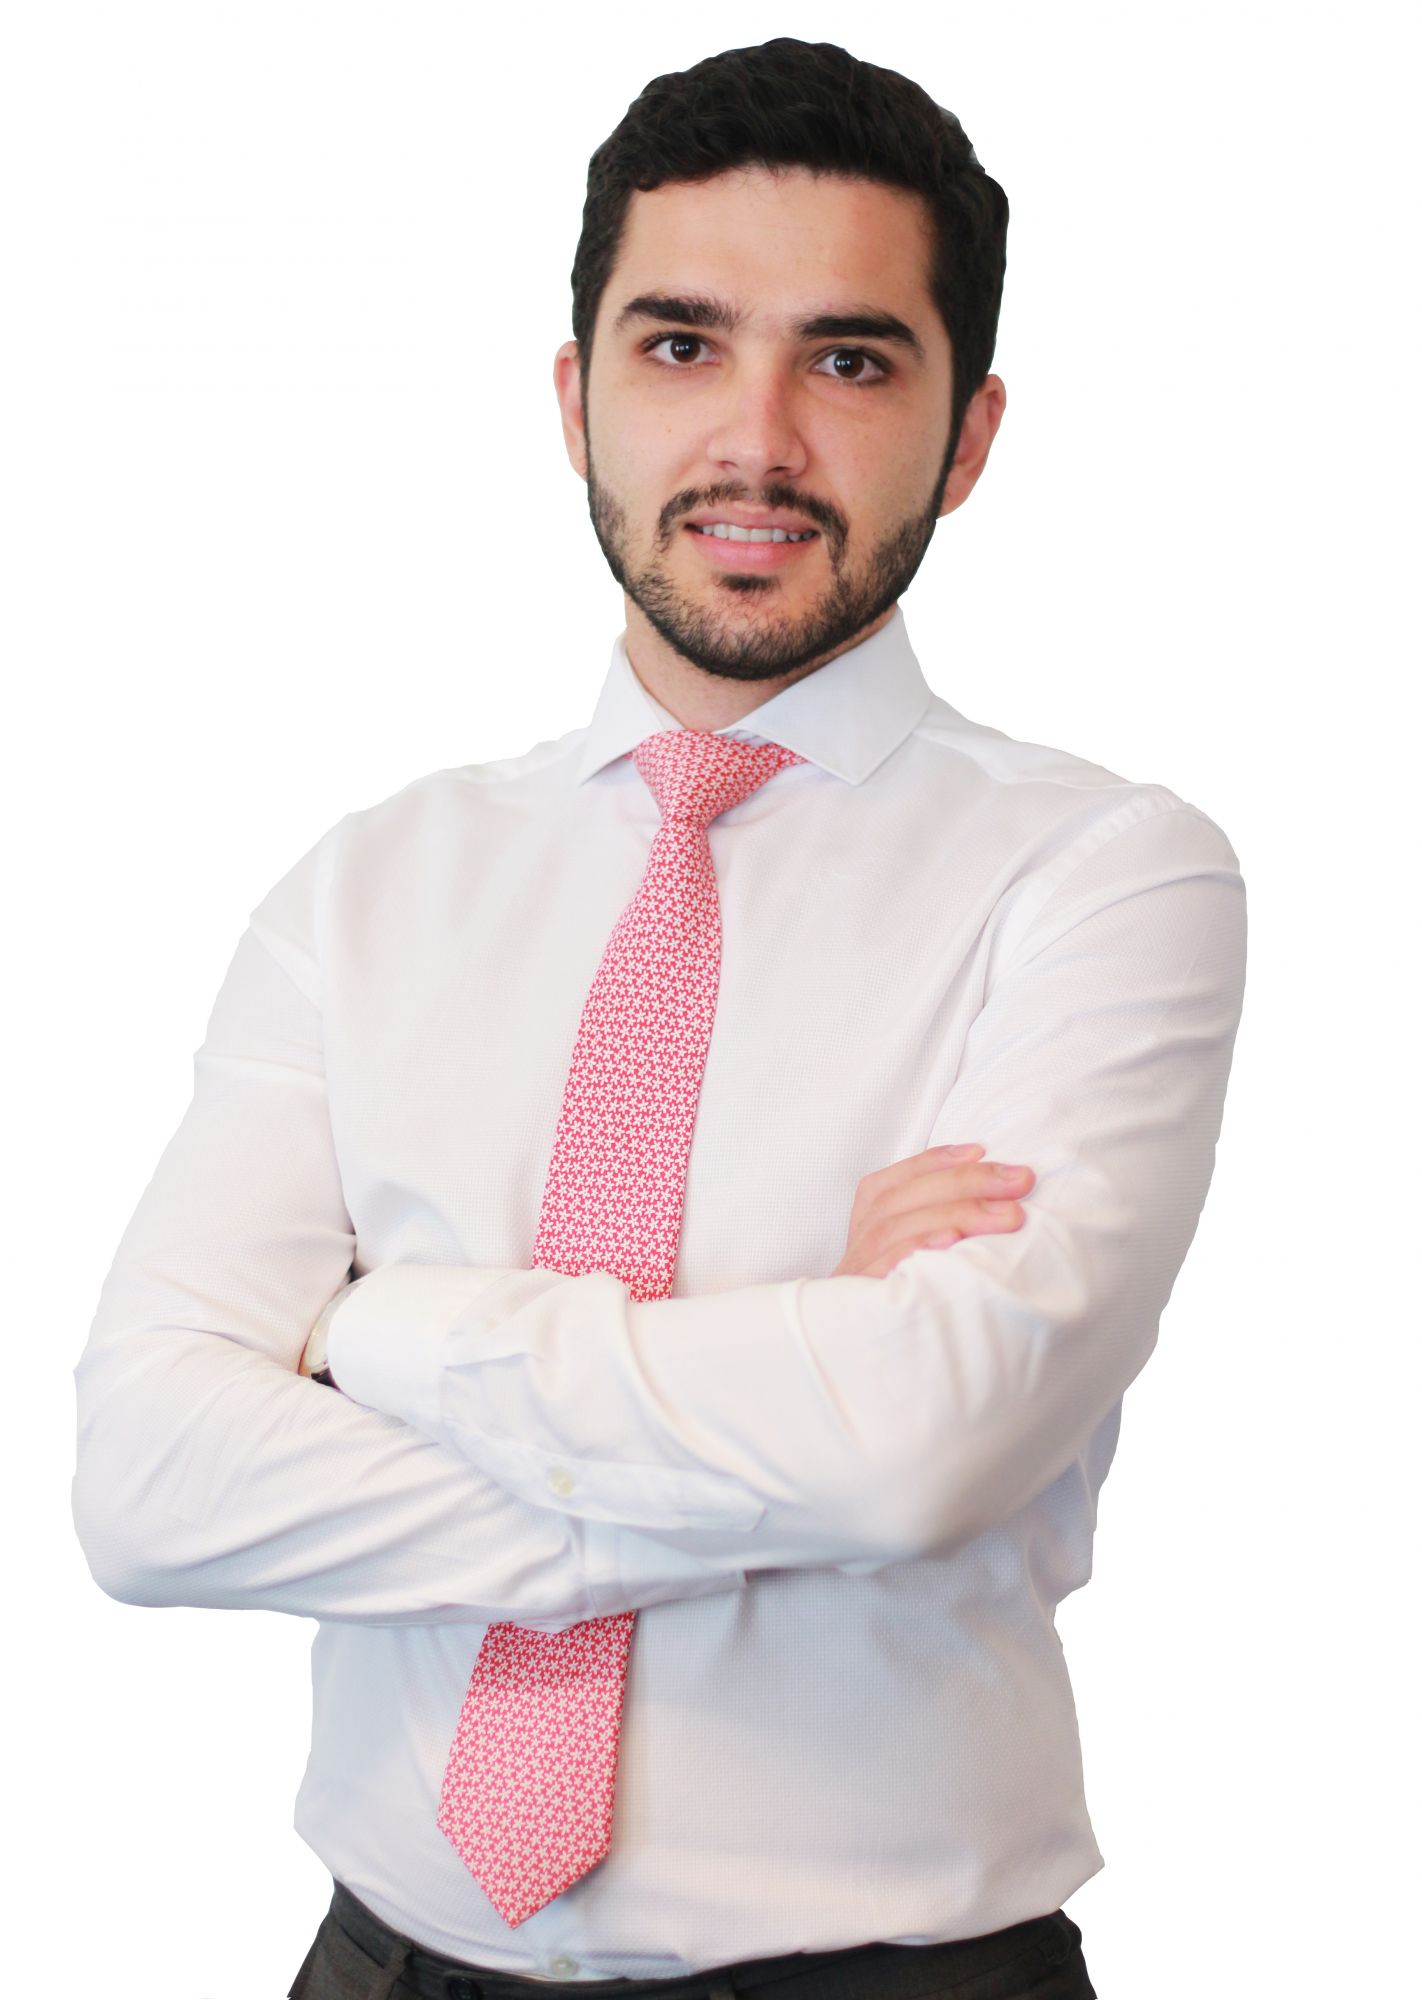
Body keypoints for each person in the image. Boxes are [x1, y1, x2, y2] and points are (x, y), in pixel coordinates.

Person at [72, 35, 1246, 2000]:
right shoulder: (364, 890)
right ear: (578, 398)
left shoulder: (1107, 879)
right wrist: (789, 1402)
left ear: (967, 435)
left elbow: (919, 1449)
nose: (755, 440)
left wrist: (382, 1333)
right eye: (682, 345)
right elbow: (151, 1489)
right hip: (382, 1961)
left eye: (849, 360)